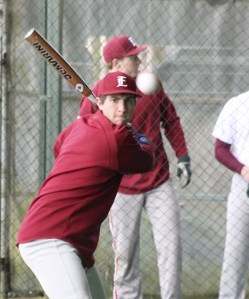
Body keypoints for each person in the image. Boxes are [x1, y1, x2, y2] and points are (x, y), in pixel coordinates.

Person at [16, 71, 155, 299]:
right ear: (99, 102)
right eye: (114, 100)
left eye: (128, 101)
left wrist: (91, 117)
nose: (122, 108)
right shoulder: (117, 139)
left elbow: (59, 146)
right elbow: (147, 159)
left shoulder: (80, 125)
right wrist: (138, 136)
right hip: (52, 238)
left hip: (71, 240)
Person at [79, 35, 191, 299]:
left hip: (158, 181)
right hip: (121, 186)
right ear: (116, 63)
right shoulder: (98, 97)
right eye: (133, 57)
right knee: (126, 255)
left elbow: (171, 120)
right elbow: (81, 136)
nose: (139, 60)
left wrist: (183, 155)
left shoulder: (150, 85)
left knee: (171, 247)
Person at [212, 90, 249, 299]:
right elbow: (220, 149)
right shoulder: (237, 104)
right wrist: (243, 169)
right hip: (244, 185)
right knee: (235, 253)